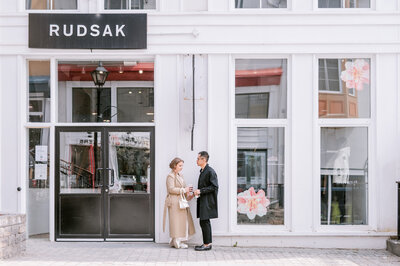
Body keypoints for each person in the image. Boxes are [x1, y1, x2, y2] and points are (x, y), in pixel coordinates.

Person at [163, 157, 195, 249]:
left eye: (182, 165)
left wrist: (187, 191)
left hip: (181, 201)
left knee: (182, 222)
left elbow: (183, 187)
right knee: (176, 222)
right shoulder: (170, 176)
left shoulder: (180, 175)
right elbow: (171, 189)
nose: (182, 167)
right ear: (174, 166)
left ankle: (177, 241)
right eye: (180, 165)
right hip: (174, 202)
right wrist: (183, 190)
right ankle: (177, 242)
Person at [194, 151, 218, 251]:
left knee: (205, 222)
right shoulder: (203, 171)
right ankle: (206, 243)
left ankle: (207, 244)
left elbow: (214, 186)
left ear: (204, 159)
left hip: (207, 201)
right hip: (203, 200)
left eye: (198, 158)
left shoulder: (210, 171)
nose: (196, 160)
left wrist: (200, 191)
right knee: (203, 221)